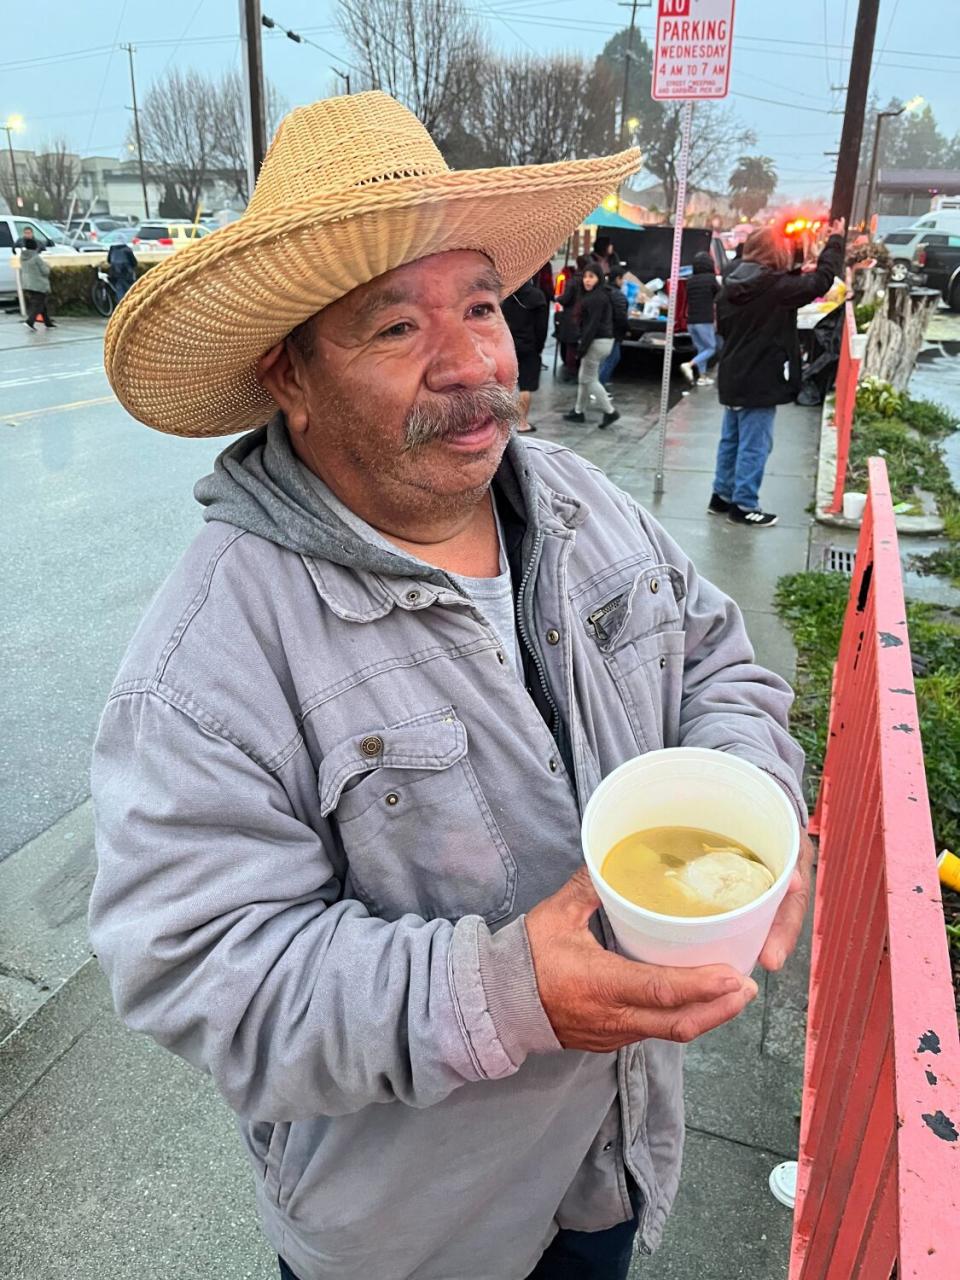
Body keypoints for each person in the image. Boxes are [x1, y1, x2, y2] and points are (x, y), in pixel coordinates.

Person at [90, 91, 811, 1280]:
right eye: (395, 328)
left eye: (482, 303)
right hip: (415, 1236)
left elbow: (714, 657)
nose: (476, 359)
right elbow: (200, 971)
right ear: (290, 376)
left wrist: (748, 799)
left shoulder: (585, 503)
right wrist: (506, 988)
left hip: (616, 1156)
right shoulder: (205, 661)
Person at [710, 221, 845, 528]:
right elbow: (822, 280)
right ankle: (744, 505)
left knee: (731, 439)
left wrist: (797, 269)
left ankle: (721, 496)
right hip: (761, 377)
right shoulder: (774, 288)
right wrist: (835, 241)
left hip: (733, 372)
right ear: (774, 252)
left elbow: (778, 283)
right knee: (755, 444)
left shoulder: (733, 278)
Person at [563, 262, 620, 428]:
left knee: (590, 380)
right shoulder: (601, 294)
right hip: (602, 341)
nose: (587, 280)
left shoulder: (596, 298)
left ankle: (610, 412)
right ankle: (578, 411)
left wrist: (581, 349)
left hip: (596, 342)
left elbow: (591, 326)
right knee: (584, 378)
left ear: (599, 278)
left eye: (591, 277)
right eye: (585, 277)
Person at [502, 275, 548, 433]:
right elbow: (542, 326)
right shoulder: (537, 296)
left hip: (508, 345)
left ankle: (504, 422)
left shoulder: (505, 295)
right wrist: (539, 347)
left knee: (505, 384)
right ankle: (522, 423)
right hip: (529, 346)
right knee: (526, 386)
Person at [679, 251, 720, 387]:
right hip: (705, 319)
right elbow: (720, 295)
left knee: (702, 349)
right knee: (711, 348)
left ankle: (702, 377)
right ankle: (689, 365)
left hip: (691, 321)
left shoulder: (690, 281)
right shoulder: (710, 279)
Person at [555, 255, 587, 380]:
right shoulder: (586, 281)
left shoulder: (573, 281)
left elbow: (565, 299)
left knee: (570, 346)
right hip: (582, 316)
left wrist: (558, 298)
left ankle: (571, 371)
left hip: (571, 316)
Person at [599, 265, 628, 387]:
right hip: (613, 332)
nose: (623, 282)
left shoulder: (603, 291)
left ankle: (600, 382)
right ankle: (599, 385)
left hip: (602, 330)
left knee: (605, 359)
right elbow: (621, 317)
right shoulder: (618, 295)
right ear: (618, 279)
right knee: (613, 358)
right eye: (623, 279)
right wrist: (627, 329)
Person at [18, 241, 55, 330]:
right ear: (35, 248)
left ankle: (48, 323)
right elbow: (46, 271)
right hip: (39, 284)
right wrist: (47, 265)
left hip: (28, 284)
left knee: (41, 304)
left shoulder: (22, 257)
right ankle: (29, 322)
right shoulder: (36, 258)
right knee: (39, 305)